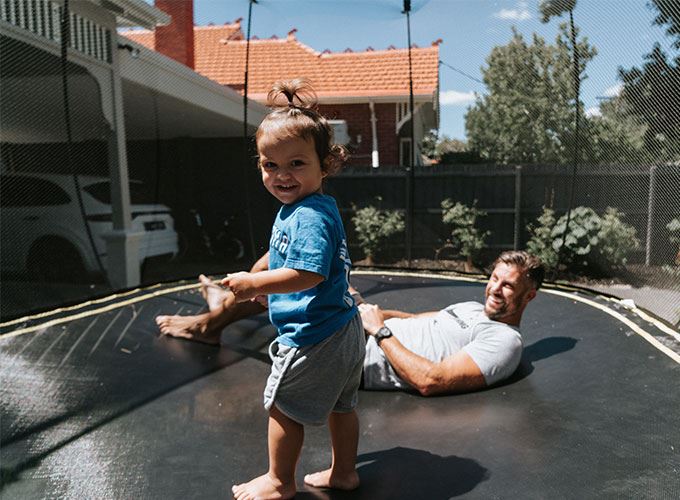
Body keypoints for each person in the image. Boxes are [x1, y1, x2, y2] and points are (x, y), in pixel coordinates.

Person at [215, 79, 365, 500]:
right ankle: (344, 473)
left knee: (282, 405)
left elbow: (308, 273)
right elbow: (280, 254)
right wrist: (260, 270)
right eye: (269, 165)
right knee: (342, 405)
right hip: (344, 329)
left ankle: (279, 482)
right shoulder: (303, 208)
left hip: (315, 335)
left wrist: (254, 285)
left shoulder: (309, 216)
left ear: (325, 165)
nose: (281, 175)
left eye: (296, 164)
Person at [157, 251, 543, 398]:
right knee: (278, 259)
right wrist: (368, 310)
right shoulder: (472, 309)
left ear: (528, 296)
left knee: (284, 275)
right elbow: (421, 320)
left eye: (508, 286)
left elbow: (432, 380)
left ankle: (212, 318)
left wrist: (378, 331)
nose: (495, 289)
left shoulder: (504, 342)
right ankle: (219, 310)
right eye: (494, 278)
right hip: (362, 328)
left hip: (357, 355)